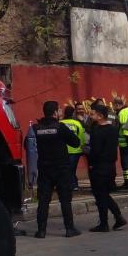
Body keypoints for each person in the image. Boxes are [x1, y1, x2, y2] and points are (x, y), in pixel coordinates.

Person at [32, 101, 81, 239]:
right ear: (54, 112)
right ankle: (69, 229)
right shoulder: (60, 127)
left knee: (43, 201)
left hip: (44, 168)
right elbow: (75, 142)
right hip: (61, 169)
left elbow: (28, 145)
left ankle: (41, 231)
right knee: (65, 199)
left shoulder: (36, 128)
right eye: (59, 110)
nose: (60, 112)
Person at [87, 103, 128, 232]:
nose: (90, 116)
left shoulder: (97, 132)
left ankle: (105, 222)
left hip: (99, 167)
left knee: (100, 195)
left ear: (100, 116)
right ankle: (117, 217)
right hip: (110, 166)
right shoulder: (113, 129)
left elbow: (96, 151)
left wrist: (90, 160)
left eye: (92, 114)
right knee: (104, 194)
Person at [60, 105, 85, 191]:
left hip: (63, 150)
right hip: (75, 150)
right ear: (73, 113)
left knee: (65, 168)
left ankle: (68, 184)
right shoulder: (77, 123)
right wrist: (81, 147)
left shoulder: (60, 123)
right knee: (72, 169)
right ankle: (74, 184)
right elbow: (81, 136)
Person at [113, 97, 128, 190]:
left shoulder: (122, 113)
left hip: (125, 143)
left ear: (118, 104)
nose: (113, 107)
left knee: (126, 164)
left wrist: (127, 141)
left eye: (114, 105)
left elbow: (126, 129)